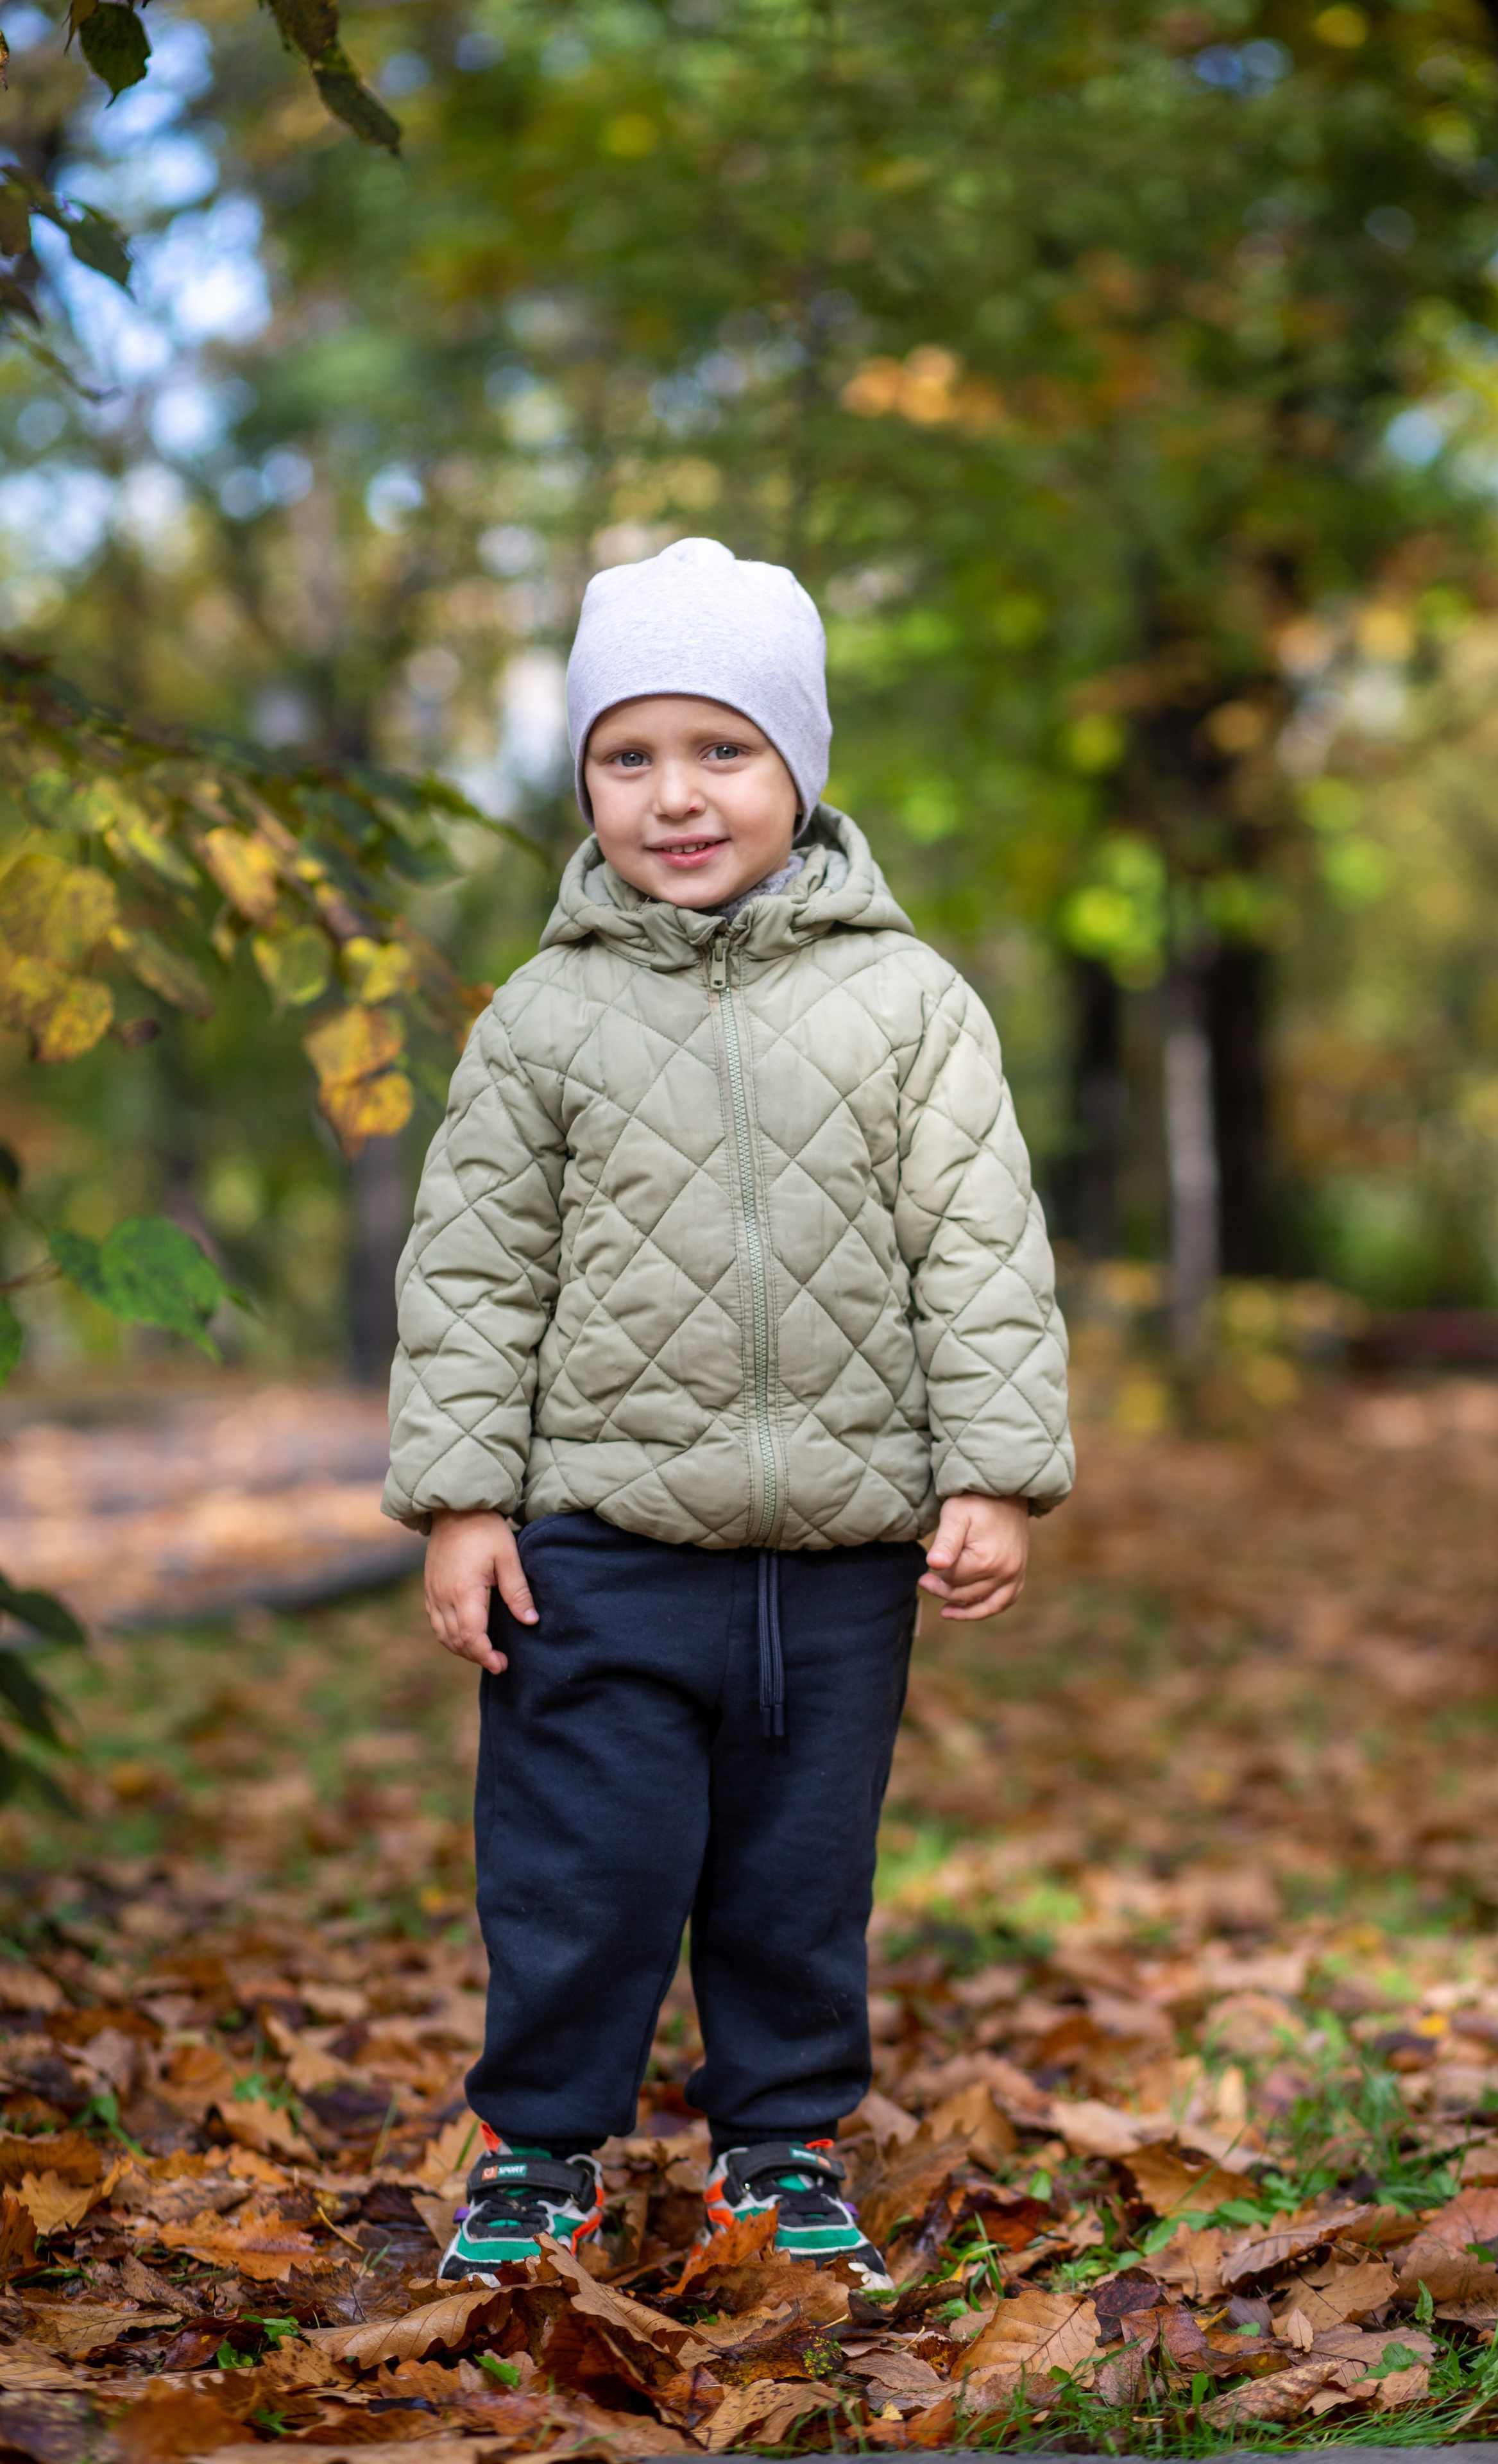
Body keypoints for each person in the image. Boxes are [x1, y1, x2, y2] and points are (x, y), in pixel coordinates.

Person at [383, 536, 1074, 2289]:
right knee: (583, 1871)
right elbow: (474, 1272)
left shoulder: (909, 1003)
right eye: (629, 756)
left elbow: (978, 1244)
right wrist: (463, 1501)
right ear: (585, 783)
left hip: (839, 1556)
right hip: (597, 1546)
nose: (676, 796)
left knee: (796, 1881)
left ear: (800, 768)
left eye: (723, 749)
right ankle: (537, 2150)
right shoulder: (543, 1020)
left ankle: (780, 2144)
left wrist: (993, 1471)